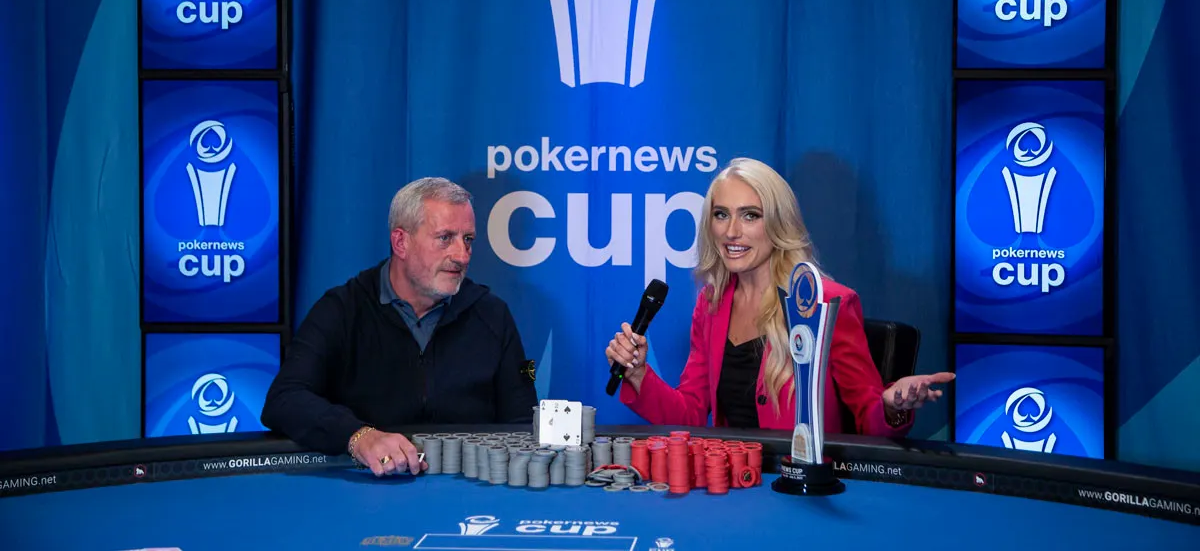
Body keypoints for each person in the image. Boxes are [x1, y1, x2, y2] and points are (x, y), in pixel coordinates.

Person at [604, 158, 954, 435]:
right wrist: (638, 375)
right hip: (732, 488)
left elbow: (868, 418)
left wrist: (891, 405)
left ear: (778, 223)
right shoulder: (711, 304)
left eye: (750, 216)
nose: (731, 231)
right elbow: (690, 416)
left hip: (801, 490)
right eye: (721, 215)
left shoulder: (827, 303)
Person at [261, 177, 538, 476]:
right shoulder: (342, 309)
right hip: (370, 486)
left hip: (468, 488)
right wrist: (359, 436)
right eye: (445, 238)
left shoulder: (493, 315)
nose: (461, 255)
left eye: (468, 239)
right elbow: (284, 398)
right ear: (401, 242)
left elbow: (522, 421)